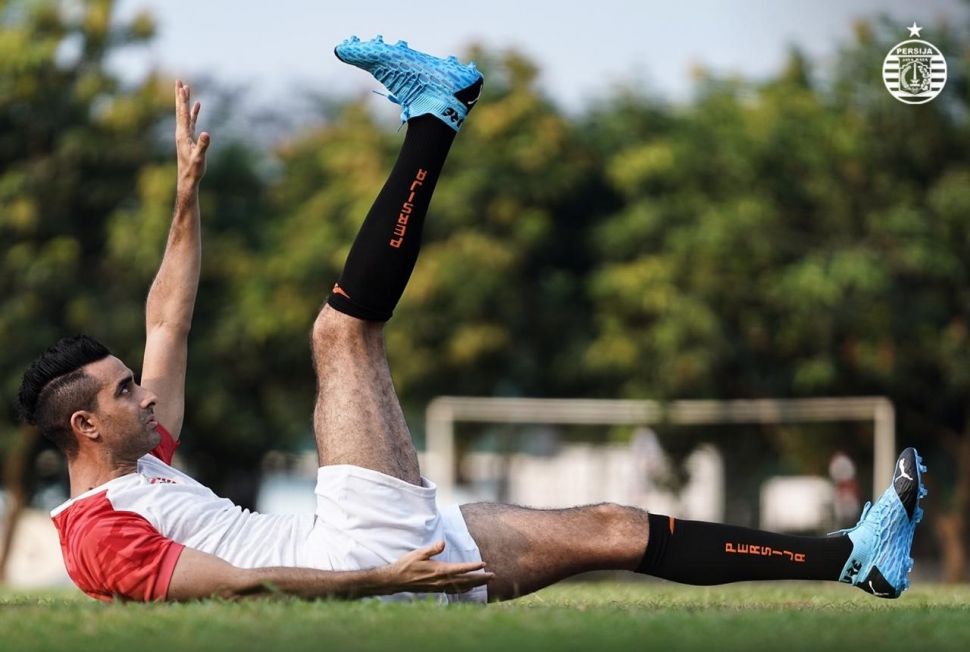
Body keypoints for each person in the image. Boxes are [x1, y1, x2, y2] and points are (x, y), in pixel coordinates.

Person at [17, 37, 926, 604]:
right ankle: (433, 115)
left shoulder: (142, 461)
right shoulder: (98, 538)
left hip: (376, 561)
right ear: (86, 424)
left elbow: (168, 320)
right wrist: (378, 577)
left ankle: (856, 555)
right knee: (340, 335)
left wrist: (185, 198)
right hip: (354, 560)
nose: (146, 391)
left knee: (613, 525)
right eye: (125, 389)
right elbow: (242, 580)